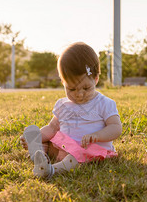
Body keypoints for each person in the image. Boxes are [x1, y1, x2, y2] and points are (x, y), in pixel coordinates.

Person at [20, 42, 122, 179]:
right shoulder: (63, 105)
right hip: (62, 147)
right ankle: (40, 156)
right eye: (71, 89)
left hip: (88, 151)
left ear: (96, 79)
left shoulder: (104, 103)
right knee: (43, 142)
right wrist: (36, 137)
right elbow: (52, 128)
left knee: (74, 158)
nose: (79, 94)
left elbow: (115, 128)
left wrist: (97, 135)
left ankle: (51, 170)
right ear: (63, 82)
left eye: (86, 88)